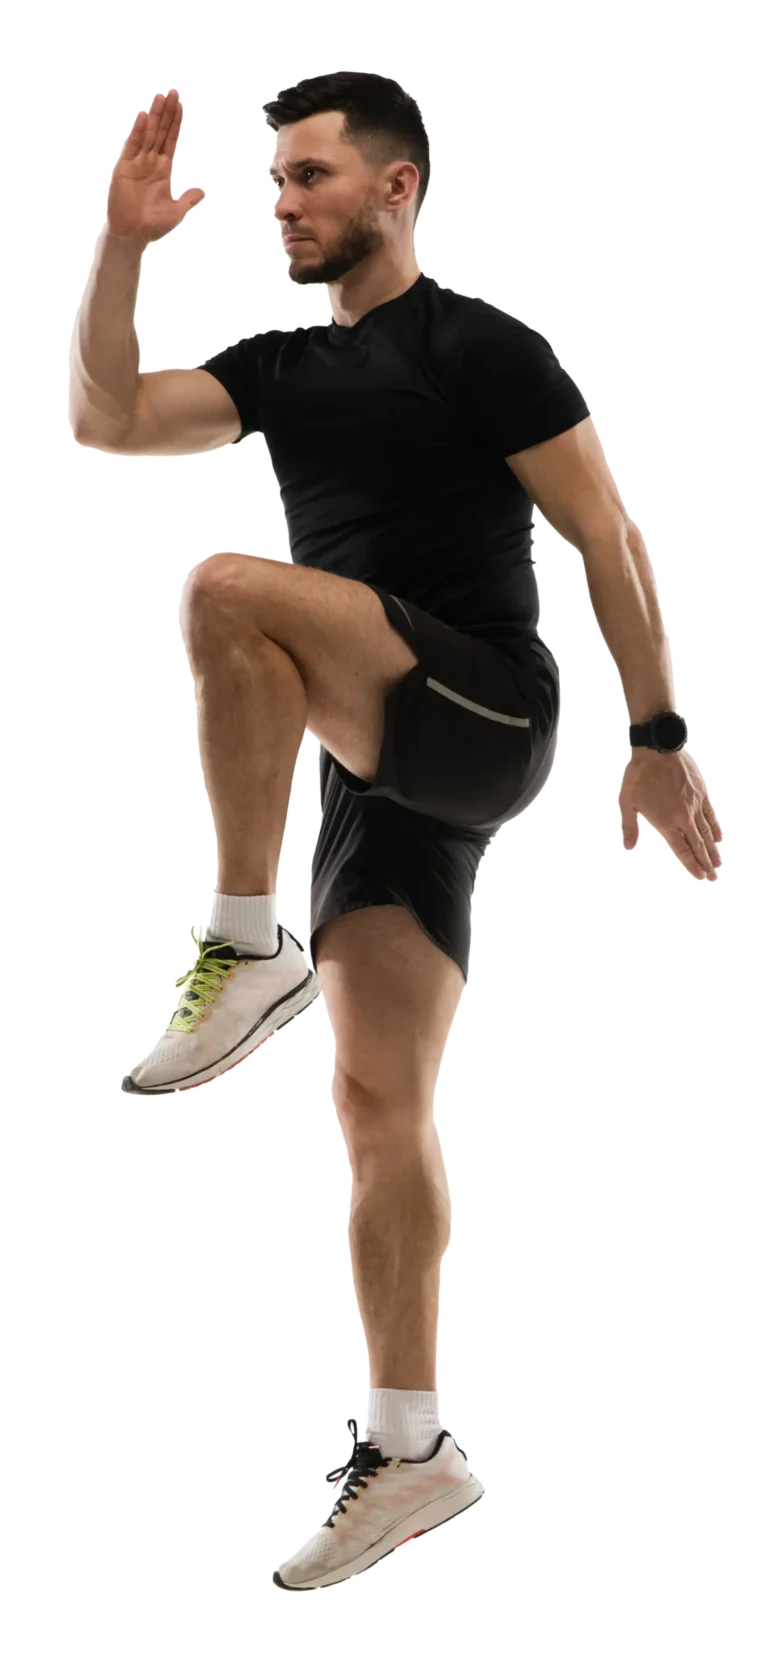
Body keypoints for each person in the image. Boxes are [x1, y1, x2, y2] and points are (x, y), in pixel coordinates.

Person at [68, 75, 723, 1592]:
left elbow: (607, 536)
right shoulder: (281, 366)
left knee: (225, 589)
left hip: (484, 704)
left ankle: (244, 940)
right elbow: (109, 420)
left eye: (309, 176)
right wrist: (121, 246)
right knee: (377, 1103)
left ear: (397, 187)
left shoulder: (477, 344)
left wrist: (654, 735)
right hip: (384, 771)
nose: (283, 203)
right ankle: (412, 1443)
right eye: (276, 181)